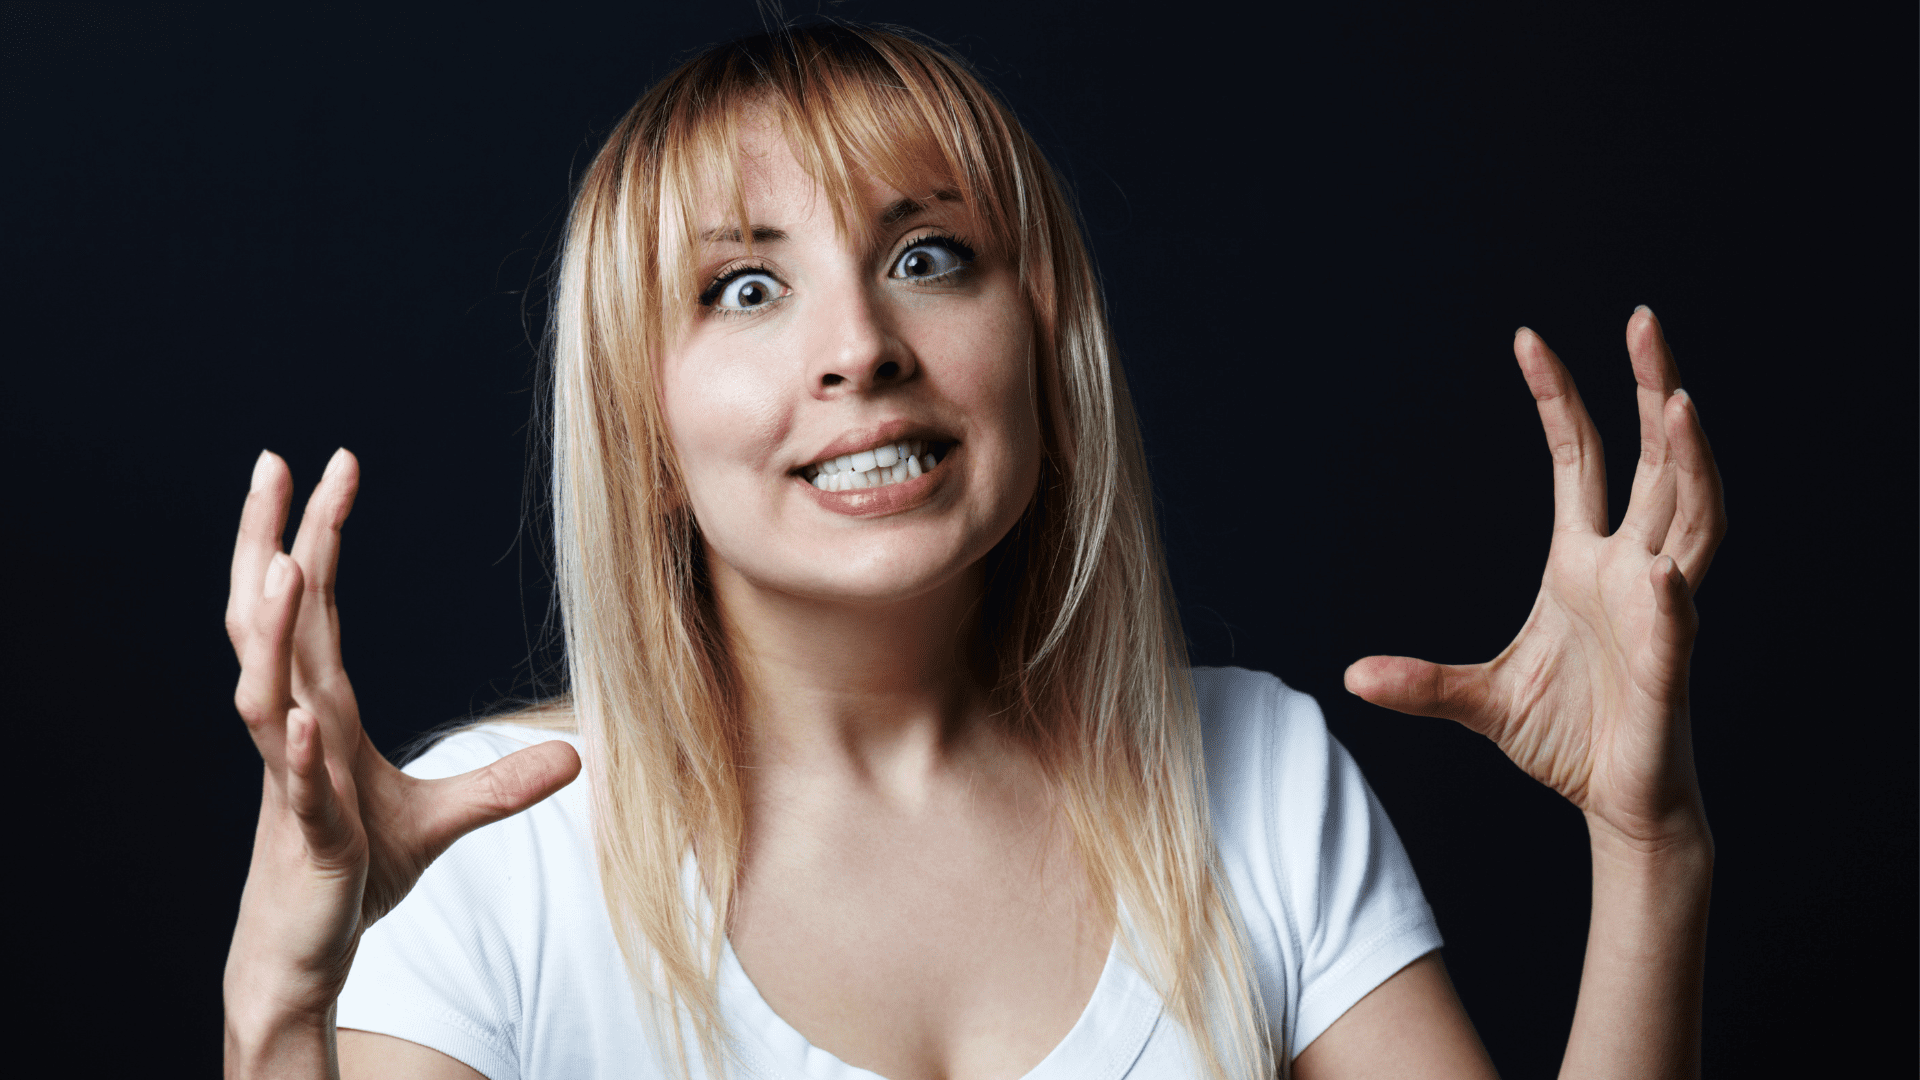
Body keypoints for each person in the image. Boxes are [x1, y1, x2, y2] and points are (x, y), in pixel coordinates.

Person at [220, 24, 1723, 1080]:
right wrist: (279, 1011)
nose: (861, 348)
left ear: (1046, 350)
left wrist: (1649, 850)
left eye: (927, 258)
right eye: (745, 289)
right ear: (639, 428)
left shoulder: (1258, 774)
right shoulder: (497, 856)